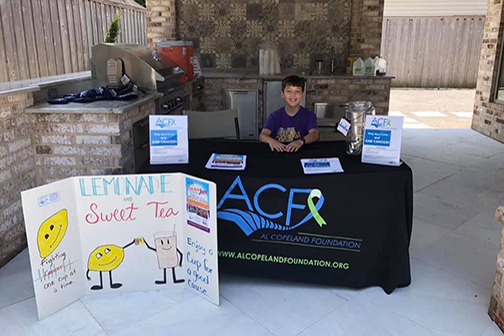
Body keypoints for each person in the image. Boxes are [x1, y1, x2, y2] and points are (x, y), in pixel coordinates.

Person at [259, 75, 319, 152]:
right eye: (289, 91)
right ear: (282, 94)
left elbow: (314, 134)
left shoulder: (309, 115)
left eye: (297, 91)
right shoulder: (274, 116)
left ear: (302, 95)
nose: (293, 95)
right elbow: (262, 135)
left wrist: (301, 141)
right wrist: (271, 141)